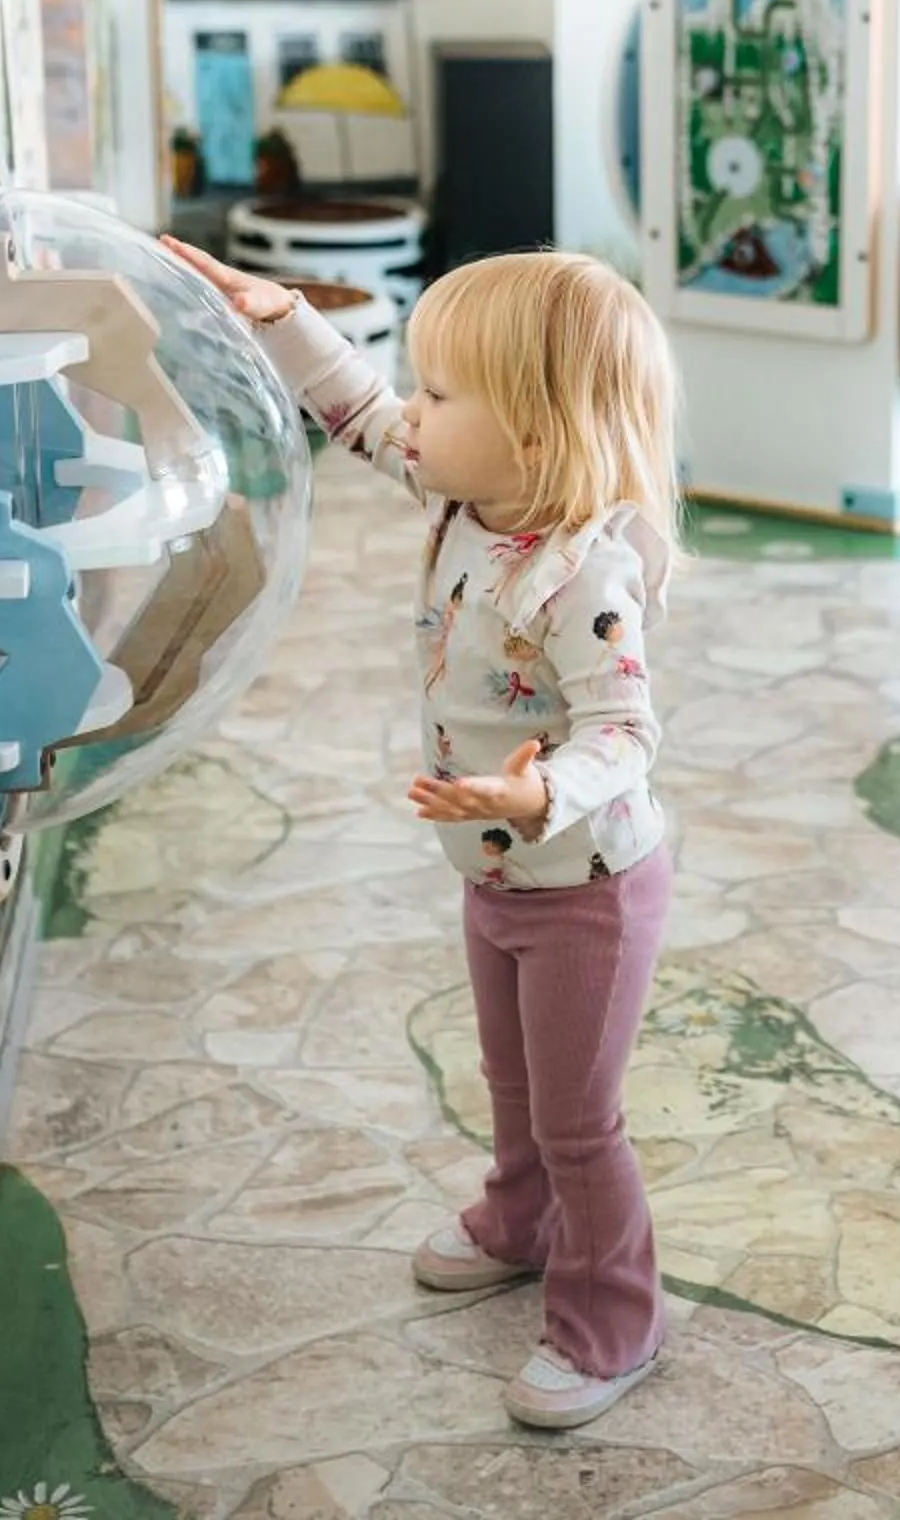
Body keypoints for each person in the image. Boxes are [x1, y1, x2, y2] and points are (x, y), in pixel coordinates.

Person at [163, 240, 681, 1431]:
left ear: (534, 438)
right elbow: (356, 411)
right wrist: (285, 314)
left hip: (588, 889)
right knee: (511, 1081)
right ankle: (520, 1220)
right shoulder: (464, 493)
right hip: (499, 874)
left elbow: (625, 729)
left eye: (440, 393)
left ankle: (615, 1318)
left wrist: (538, 795)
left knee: (579, 1118)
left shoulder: (581, 576)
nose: (413, 408)